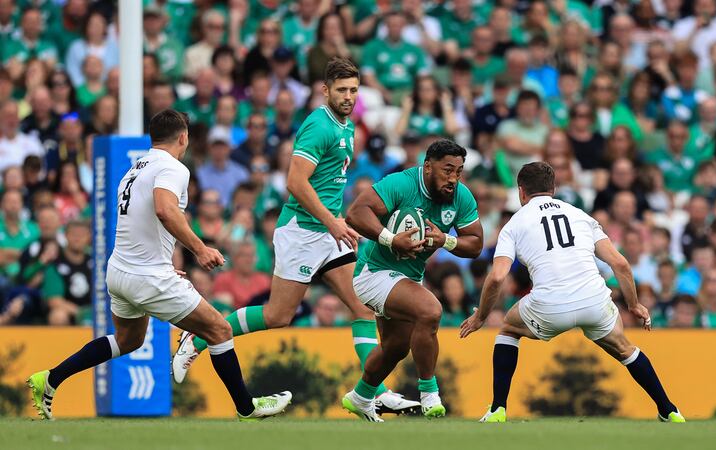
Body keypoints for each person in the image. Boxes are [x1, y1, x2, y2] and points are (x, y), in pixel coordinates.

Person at [172, 58, 417, 416]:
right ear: (325, 90)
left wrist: (334, 222)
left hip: (327, 230)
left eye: (353, 90)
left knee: (363, 306)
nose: (348, 96)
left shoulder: (347, 126)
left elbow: (325, 183)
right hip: (302, 231)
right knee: (277, 316)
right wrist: (332, 222)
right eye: (341, 90)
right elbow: (295, 182)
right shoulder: (320, 126)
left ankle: (371, 391)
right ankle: (200, 335)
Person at [26, 110, 291, 421]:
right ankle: (246, 407)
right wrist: (199, 248)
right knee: (219, 329)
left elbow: (141, 220)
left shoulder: (134, 170)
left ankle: (50, 379)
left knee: (129, 340)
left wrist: (160, 262)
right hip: (146, 276)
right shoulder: (173, 168)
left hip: (121, 271)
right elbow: (165, 210)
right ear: (183, 137)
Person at [460, 161, 684, 424]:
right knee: (624, 348)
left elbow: (497, 276)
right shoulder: (580, 215)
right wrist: (634, 305)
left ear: (521, 192)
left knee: (508, 330)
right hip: (594, 300)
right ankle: (669, 410)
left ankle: (498, 408)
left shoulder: (514, 224)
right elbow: (620, 263)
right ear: (553, 189)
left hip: (549, 306)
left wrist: (480, 317)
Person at [342, 139, 483, 421]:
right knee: (430, 310)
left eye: (458, 171)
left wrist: (446, 240)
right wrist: (391, 239)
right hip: (373, 271)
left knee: (395, 348)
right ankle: (429, 394)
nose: (453, 179)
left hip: (409, 277)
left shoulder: (461, 196)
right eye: (447, 170)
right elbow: (356, 213)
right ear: (427, 166)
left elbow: (476, 243)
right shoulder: (401, 184)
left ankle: (360, 396)